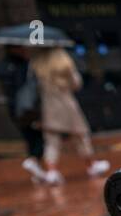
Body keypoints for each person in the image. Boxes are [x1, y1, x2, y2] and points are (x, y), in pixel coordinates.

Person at [29, 47, 108, 184]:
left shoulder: (36, 66)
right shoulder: (64, 65)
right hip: (67, 105)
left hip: (48, 108)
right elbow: (76, 84)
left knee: (51, 142)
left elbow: (33, 87)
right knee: (81, 136)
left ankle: (52, 172)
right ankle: (91, 165)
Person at [0, 45, 46, 182]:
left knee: (29, 137)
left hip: (15, 109)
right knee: (38, 137)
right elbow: (27, 84)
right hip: (28, 108)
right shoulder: (22, 65)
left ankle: (36, 172)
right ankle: (33, 160)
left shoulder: (2, 66)